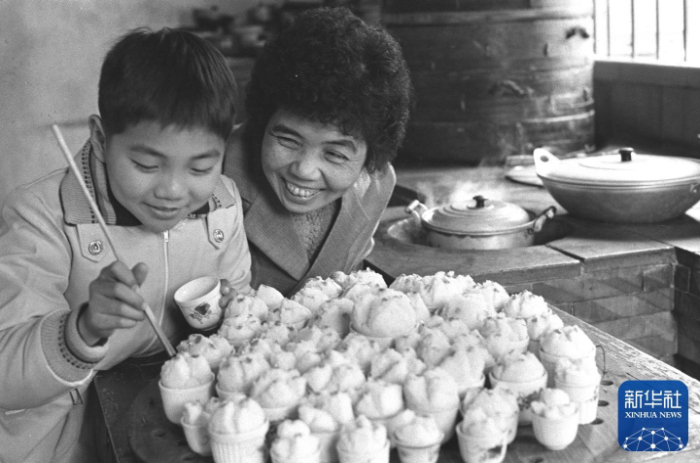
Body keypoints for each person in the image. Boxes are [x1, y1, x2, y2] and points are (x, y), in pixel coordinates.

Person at [0, 28, 251, 463]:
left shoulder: (223, 205)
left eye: (200, 168)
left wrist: (228, 314)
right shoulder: (42, 214)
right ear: (101, 139)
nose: (172, 191)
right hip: (58, 441)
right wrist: (81, 330)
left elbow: (239, 320)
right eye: (146, 164)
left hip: (169, 426)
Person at [224, 6, 412, 295]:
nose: (304, 170)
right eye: (288, 141)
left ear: (369, 158)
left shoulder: (377, 185)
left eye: (335, 154)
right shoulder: (213, 171)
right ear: (262, 121)